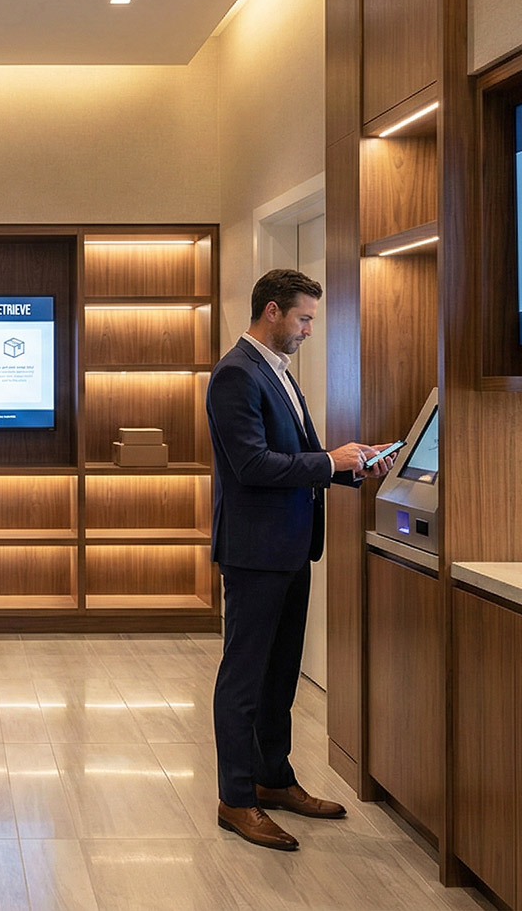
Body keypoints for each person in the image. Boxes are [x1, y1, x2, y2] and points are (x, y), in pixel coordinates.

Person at [206, 268, 392, 852]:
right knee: (244, 679)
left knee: (280, 674)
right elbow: (253, 466)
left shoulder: (279, 374)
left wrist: (350, 464)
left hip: (289, 547)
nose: (310, 329)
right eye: (304, 318)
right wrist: (328, 461)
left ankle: (273, 779)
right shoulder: (236, 374)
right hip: (255, 553)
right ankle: (236, 800)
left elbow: (301, 457)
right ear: (272, 313)